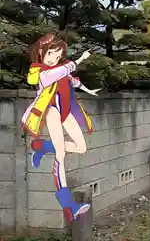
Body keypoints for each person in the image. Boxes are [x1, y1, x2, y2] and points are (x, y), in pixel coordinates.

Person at [21, 33, 101, 222]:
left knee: (81, 148)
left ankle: (44, 147)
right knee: (61, 156)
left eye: (57, 57)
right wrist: (81, 58)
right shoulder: (41, 73)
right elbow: (66, 69)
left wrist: (89, 90)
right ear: (41, 52)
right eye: (51, 54)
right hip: (52, 112)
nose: (53, 59)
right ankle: (68, 206)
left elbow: (73, 80)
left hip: (66, 112)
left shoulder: (59, 70)